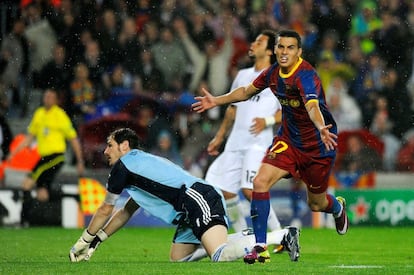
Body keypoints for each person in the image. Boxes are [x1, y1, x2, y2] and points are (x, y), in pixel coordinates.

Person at [192, 29, 349, 264]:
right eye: (281, 47)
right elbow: (245, 92)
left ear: (299, 52)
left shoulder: (306, 75)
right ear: (275, 50)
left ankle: (337, 207)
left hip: (318, 146)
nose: (285, 52)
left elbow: (312, 106)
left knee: (316, 203)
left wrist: (320, 126)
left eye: (290, 48)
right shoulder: (273, 73)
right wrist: (216, 100)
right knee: (259, 182)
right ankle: (260, 246)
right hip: (287, 141)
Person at [69, 128, 300, 263]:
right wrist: (98, 239)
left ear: (124, 146)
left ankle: (281, 235)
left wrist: (84, 240)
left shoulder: (124, 167)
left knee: (218, 255)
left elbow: (105, 209)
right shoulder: (139, 165)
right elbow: (126, 211)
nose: (105, 151)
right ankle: (244, 236)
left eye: (110, 145)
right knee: (178, 258)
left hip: (197, 198)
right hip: (191, 205)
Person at [204, 30, 282, 238]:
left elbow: (290, 110)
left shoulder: (277, 77)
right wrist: (220, 137)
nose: (253, 44)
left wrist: (268, 120)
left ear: (269, 51)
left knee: (251, 190)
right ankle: (244, 236)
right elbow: (232, 109)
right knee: (226, 191)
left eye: (259, 42)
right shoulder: (242, 75)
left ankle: (281, 235)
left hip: (257, 143)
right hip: (235, 142)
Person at [6, 88, 85, 226]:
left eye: (50, 97)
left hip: (56, 157)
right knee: (43, 194)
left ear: (55, 100)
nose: (47, 99)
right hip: (43, 158)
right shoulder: (39, 114)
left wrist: (79, 160)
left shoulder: (60, 115)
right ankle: (74, 197)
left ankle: (24, 221)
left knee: (26, 184)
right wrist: (14, 152)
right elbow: (30, 137)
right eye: (46, 96)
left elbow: (73, 138)